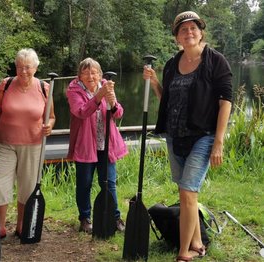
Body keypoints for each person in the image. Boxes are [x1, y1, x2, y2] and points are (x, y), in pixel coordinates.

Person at [143, 11, 232, 262]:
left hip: (203, 136)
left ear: (201, 32)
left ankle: (184, 252)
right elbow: (168, 100)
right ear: (176, 38)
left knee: (187, 191)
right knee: (187, 192)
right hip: (175, 137)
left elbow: (226, 102)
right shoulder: (172, 63)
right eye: (183, 30)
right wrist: (155, 82)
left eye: (193, 28)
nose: (189, 32)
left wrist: (219, 142)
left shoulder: (215, 61)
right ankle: (197, 241)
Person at [0, 48, 55, 238]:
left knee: (27, 187)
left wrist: (49, 126)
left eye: (27, 67)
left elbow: (51, 117)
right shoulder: (6, 84)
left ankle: (22, 225)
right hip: (4, 143)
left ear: (35, 68)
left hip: (33, 144)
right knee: (0, 184)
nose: (23, 71)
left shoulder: (44, 88)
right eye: (19, 67)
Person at [66, 58, 128, 234]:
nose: (90, 76)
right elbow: (82, 112)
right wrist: (99, 96)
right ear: (79, 76)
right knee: (84, 183)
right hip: (85, 145)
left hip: (106, 144)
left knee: (109, 183)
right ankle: (85, 218)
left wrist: (113, 102)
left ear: (100, 74)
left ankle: (114, 218)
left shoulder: (105, 86)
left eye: (94, 72)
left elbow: (119, 113)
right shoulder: (73, 91)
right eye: (86, 73)